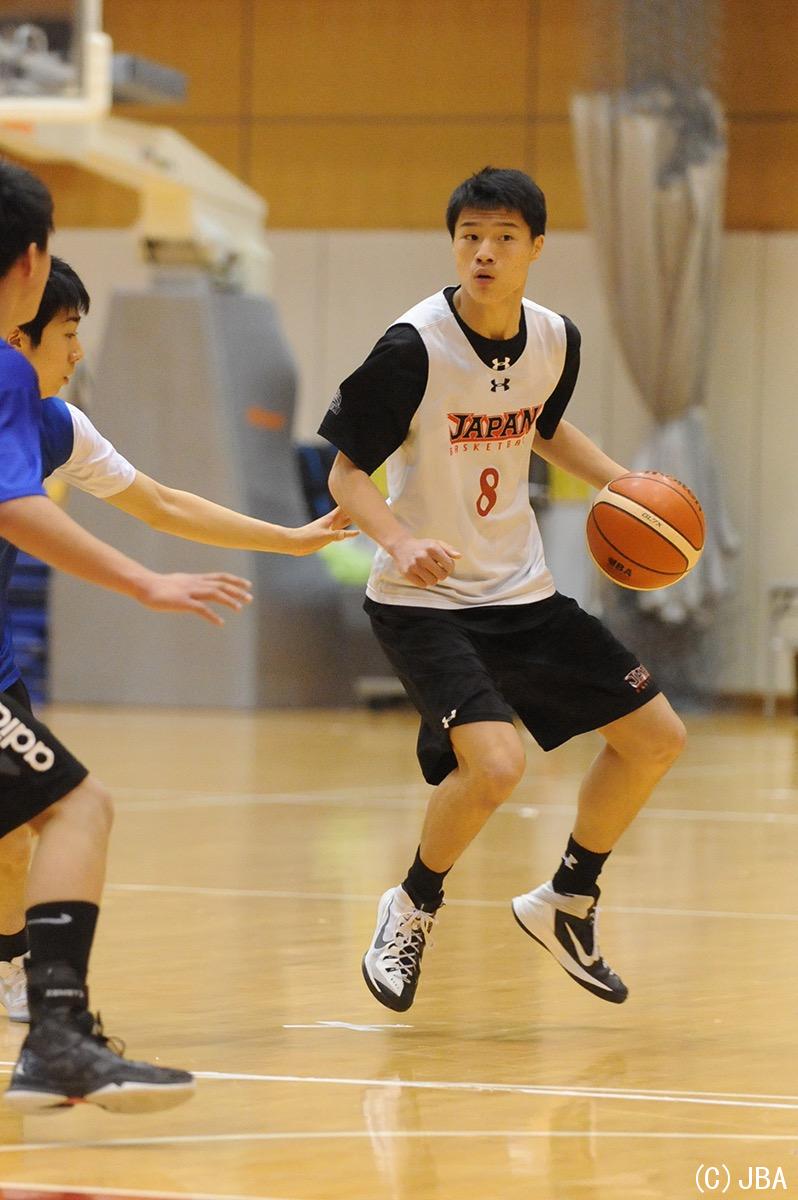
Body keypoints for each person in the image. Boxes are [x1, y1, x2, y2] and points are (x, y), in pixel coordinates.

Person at [318, 166, 686, 1014]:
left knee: (656, 738)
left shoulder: (555, 338)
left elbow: (542, 426)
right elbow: (345, 474)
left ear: (537, 248)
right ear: (454, 244)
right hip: (424, 602)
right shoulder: (412, 348)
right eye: (470, 236)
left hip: (522, 593)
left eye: (504, 238)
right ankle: (411, 907)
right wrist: (400, 541)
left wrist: (627, 488)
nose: (484, 252)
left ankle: (568, 898)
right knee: (496, 765)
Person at [0, 255, 356, 1028]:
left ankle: (14, 971)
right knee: (71, 808)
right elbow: (20, 514)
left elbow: (161, 502)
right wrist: (142, 583)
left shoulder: (56, 425)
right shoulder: (6, 394)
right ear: (20, 332)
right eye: (68, 332)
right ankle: (53, 1013)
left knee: (19, 835)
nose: (79, 351)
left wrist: (289, 539)